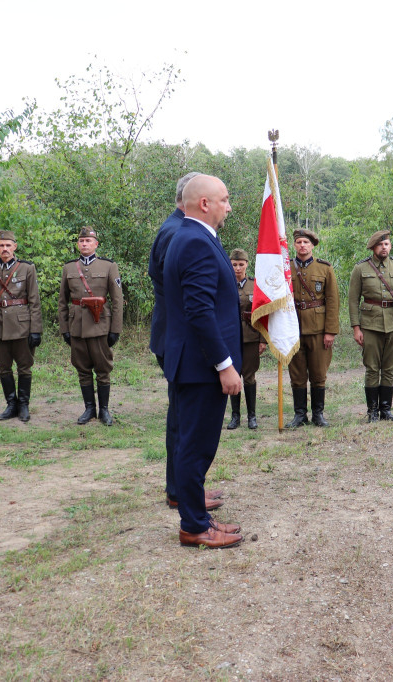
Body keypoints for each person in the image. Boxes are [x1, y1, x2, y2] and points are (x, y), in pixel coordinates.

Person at [163, 174, 243, 549]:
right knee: (196, 447)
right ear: (205, 203)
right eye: (224, 200)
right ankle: (194, 526)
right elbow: (199, 312)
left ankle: (197, 515)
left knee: (193, 444)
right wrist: (224, 365)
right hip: (201, 367)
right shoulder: (194, 241)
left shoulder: (194, 236)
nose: (229, 206)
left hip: (194, 364)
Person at [149, 173, 221, 509]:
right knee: (186, 423)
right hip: (180, 340)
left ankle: (183, 489)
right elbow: (185, 295)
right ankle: (180, 492)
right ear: (194, 198)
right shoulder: (178, 232)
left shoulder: (176, 227)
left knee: (183, 420)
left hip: (176, 337)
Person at [58, 227, 123, 426]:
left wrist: (115, 329)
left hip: (100, 325)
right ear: (78, 244)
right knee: (82, 369)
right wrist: (65, 329)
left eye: (88, 240)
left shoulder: (108, 266)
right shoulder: (69, 268)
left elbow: (117, 300)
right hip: (77, 326)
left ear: (96, 244)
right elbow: (63, 301)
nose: (84, 244)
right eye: (81, 240)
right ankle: (89, 409)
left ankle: (104, 410)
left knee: (103, 369)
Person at [348, 229, 393, 422]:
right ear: (373, 247)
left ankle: (386, 409)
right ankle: (372, 411)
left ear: (390, 246)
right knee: (373, 368)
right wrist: (356, 328)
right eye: (380, 245)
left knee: (390, 367)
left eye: (387, 244)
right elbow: (352, 300)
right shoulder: (361, 269)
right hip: (370, 324)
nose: (384, 247)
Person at [0, 230, 42, 422]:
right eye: (1, 245)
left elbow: (34, 301)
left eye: (8, 245)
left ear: (15, 247)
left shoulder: (27, 268)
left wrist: (36, 330)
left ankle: (23, 405)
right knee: (4, 368)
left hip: (21, 325)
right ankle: (11, 404)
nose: (5, 249)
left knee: (24, 367)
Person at [286, 228, 339, 427]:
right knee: (297, 375)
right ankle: (300, 415)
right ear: (294, 245)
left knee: (318, 374)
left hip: (318, 329)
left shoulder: (324, 268)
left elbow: (333, 301)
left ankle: (318, 414)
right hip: (293, 328)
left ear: (312, 246)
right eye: (299, 242)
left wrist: (330, 331)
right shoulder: (286, 268)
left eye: (306, 243)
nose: (302, 246)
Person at [227, 248, 266, 430]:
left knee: (249, 377)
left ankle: (252, 416)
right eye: (234, 264)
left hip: (251, 336)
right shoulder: (224, 284)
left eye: (241, 264)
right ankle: (235, 417)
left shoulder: (255, 285)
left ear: (247, 265)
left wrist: (263, 339)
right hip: (231, 338)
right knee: (233, 375)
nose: (237, 268)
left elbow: (262, 314)